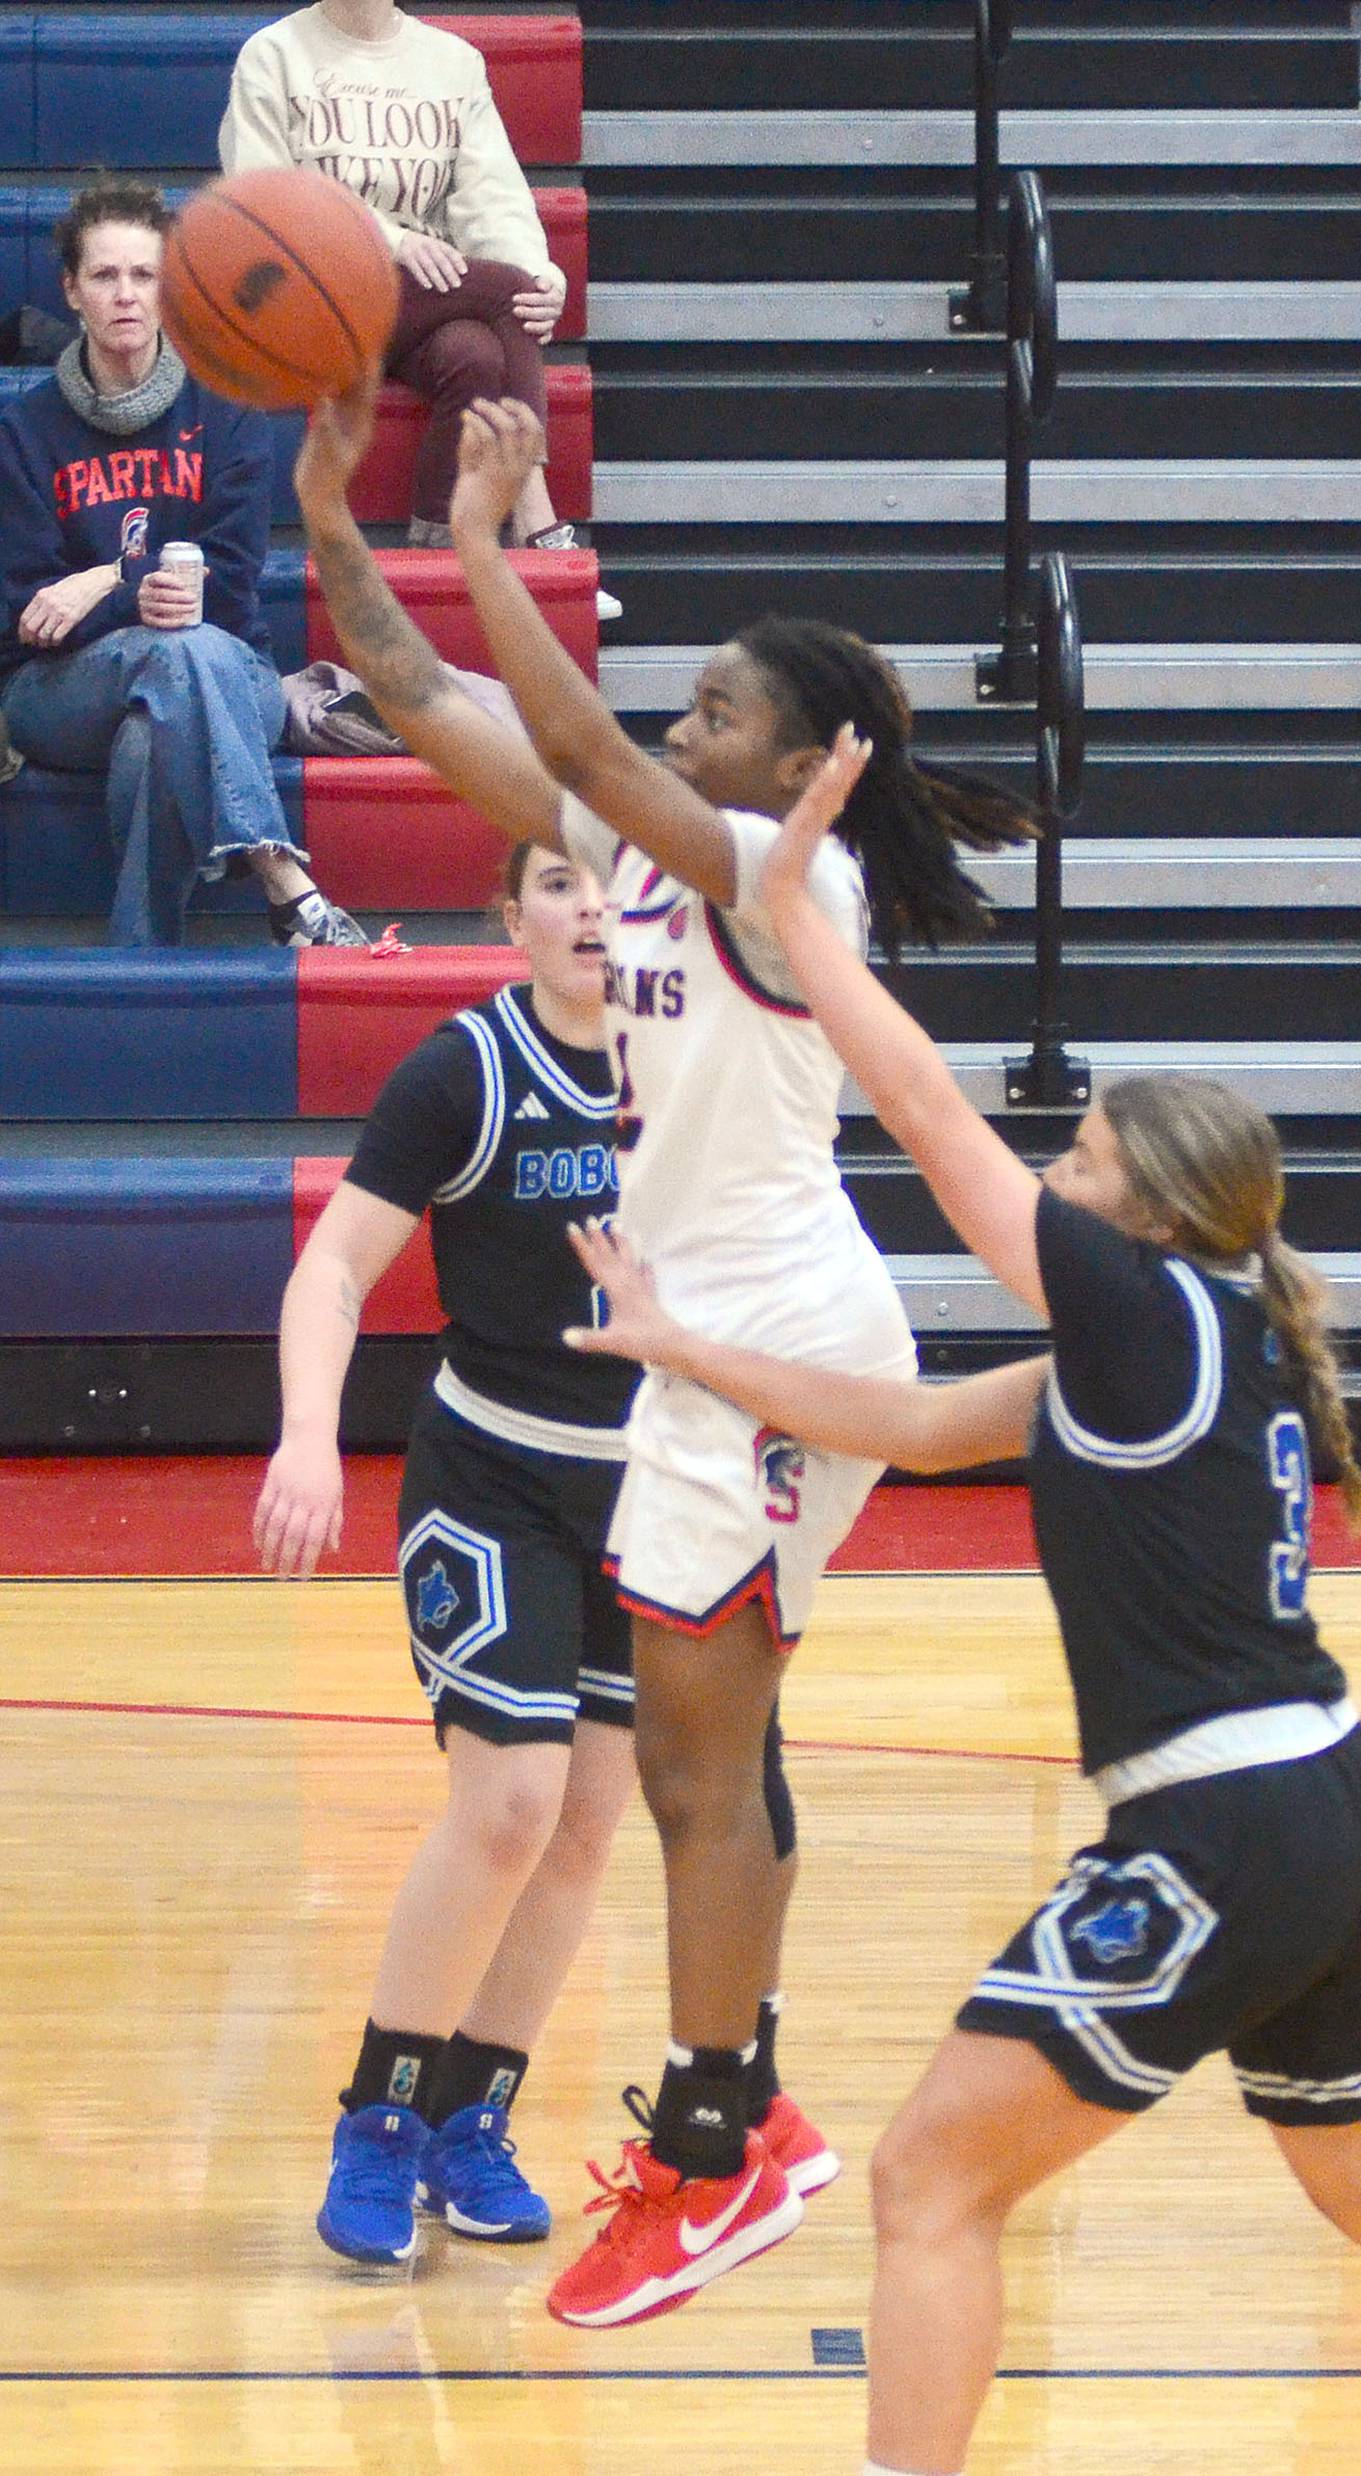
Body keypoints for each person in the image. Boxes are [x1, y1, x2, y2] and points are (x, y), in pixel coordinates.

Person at [558, 749, 1361, 2474]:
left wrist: (799, 917)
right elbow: (903, 1424)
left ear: (1156, 1209)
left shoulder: (1142, 1303)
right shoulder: (1211, 1335)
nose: (1060, 1164)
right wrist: (686, 1351)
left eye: (1088, 1156)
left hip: (1223, 1830)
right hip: (1336, 1803)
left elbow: (925, 1116)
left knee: (925, 2180)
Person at [287, 378, 1033, 2325]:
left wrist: (485, 545)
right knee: (709, 1752)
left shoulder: (796, 878)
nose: (686, 721)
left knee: (698, 1767)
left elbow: (581, 740)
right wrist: (336, 520)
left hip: (777, 1324)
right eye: (684, 698)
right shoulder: (645, 852)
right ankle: (743, 2120)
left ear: (813, 762)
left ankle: (719, 2146)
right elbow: (428, 698)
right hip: (708, 1339)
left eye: (718, 706)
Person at [254, 839, 639, 2265]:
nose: (592, 905)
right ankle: (380, 2118)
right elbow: (335, 1267)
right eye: (557, 881)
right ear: (511, 913)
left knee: (592, 1824)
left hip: (655, 1496)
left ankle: (477, 2119)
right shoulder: (464, 1071)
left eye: (614, 879)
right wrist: (307, 1434)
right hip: (495, 1480)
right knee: (511, 1809)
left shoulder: (712, 1069)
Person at [0, 179, 362, 949]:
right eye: (104, 276)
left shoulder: (229, 414)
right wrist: (144, 596)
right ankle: (280, 873)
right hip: (61, 695)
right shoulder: (24, 432)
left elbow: (223, 598)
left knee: (158, 724)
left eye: (145, 275)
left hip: (230, 672)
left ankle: (140, 959)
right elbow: (28, 617)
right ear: (71, 290)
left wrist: (103, 581)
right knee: (173, 659)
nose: (125, 295)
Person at [220, 0, 622, 616]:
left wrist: (536, 276)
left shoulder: (452, 62)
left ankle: (431, 553)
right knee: (500, 295)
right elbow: (262, 198)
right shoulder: (273, 55)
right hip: (312, 294)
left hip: (421, 306)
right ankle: (536, 515)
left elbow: (491, 198)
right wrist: (393, 241)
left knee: (475, 356)